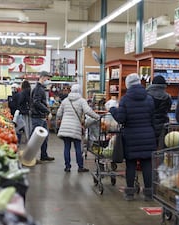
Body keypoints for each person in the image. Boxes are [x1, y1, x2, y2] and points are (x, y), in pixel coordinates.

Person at [109, 73, 156, 201]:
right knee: (147, 164)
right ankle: (149, 193)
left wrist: (113, 110)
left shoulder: (125, 99)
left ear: (128, 85)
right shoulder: (149, 98)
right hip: (148, 135)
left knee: (131, 165)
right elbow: (153, 119)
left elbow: (121, 118)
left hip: (131, 136)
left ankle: (129, 193)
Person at [56, 84, 100, 172]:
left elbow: (58, 114)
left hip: (65, 127)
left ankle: (67, 167)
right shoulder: (81, 101)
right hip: (75, 127)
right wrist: (97, 117)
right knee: (78, 147)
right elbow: (88, 111)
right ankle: (80, 167)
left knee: (67, 147)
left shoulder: (65, 101)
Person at [31, 71, 55, 162]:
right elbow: (36, 102)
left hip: (41, 116)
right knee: (35, 138)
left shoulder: (41, 89)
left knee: (44, 137)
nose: (48, 81)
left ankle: (44, 155)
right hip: (37, 117)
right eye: (48, 78)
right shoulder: (38, 89)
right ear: (43, 77)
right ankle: (30, 157)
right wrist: (47, 111)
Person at [146, 75, 172, 148]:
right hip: (163, 127)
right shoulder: (167, 97)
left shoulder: (146, 95)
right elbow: (168, 109)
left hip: (149, 126)